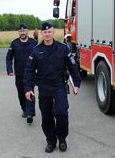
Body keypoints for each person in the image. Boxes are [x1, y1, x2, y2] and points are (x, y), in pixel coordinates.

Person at [23, 22, 81, 153]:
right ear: (42, 33)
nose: (47, 34)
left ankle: (62, 139)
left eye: (49, 32)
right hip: (44, 88)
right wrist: (28, 89)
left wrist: (76, 83)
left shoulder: (63, 48)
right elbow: (29, 71)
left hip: (59, 86)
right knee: (47, 116)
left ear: (53, 32)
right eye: (45, 32)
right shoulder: (36, 50)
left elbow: (72, 66)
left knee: (61, 113)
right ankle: (50, 141)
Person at [6, 23, 37, 124]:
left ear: (27, 31)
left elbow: (39, 55)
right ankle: (24, 108)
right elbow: (9, 57)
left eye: (24, 31)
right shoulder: (14, 43)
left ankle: (30, 113)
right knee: (21, 93)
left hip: (31, 74)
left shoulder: (33, 42)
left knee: (30, 91)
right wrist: (9, 70)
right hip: (19, 73)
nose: (22, 32)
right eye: (20, 31)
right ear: (18, 32)